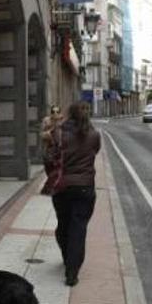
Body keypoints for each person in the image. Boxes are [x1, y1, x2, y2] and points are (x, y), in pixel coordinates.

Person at [49, 102, 101, 287]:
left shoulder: (59, 133)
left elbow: (51, 157)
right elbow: (94, 152)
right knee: (78, 229)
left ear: (69, 114)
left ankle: (67, 258)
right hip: (85, 188)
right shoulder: (94, 135)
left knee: (63, 226)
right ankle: (72, 271)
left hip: (62, 187)